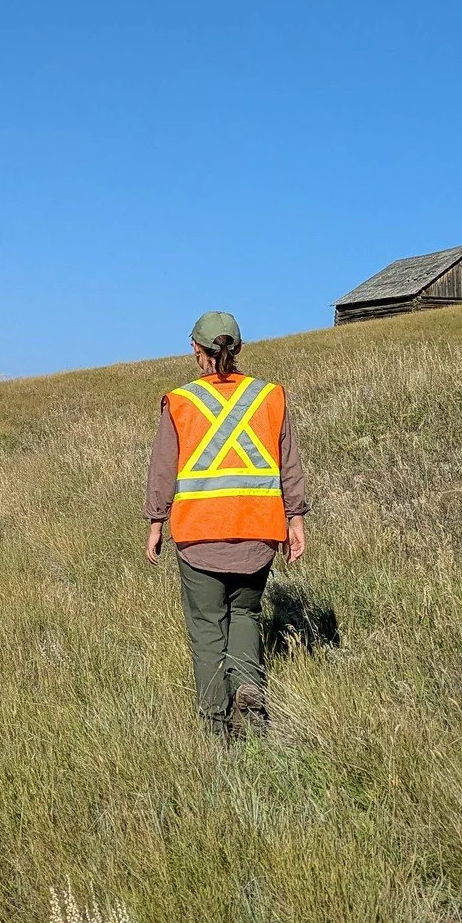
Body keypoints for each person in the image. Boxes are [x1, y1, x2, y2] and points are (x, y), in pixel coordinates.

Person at [144, 311, 308, 738]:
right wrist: (296, 518)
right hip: (259, 531)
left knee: (206, 627)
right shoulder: (270, 396)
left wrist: (156, 522)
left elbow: (164, 468)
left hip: (199, 534)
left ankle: (218, 726)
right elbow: (288, 462)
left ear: (197, 350)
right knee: (246, 614)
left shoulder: (181, 402)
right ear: (236, 350)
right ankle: (250, 695)